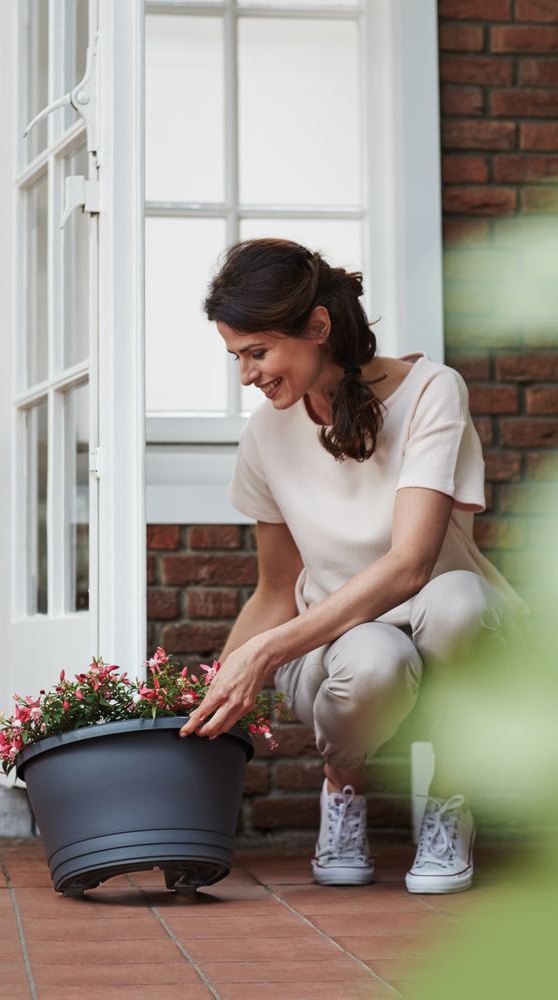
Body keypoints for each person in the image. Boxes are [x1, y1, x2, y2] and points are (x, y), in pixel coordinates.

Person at [179, 238, 527, 894]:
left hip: (444, 623)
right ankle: (342, 791)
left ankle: (450, 799)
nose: (247, 375)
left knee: (460, 600)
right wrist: (206, 696)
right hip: (340, 656)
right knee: (372, 656)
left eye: (257, 352)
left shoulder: (431, 391)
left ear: (316, 329)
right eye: (237, 358)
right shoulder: (264, 436)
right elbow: (275, 590)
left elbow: (409, 565)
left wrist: (266, 653)